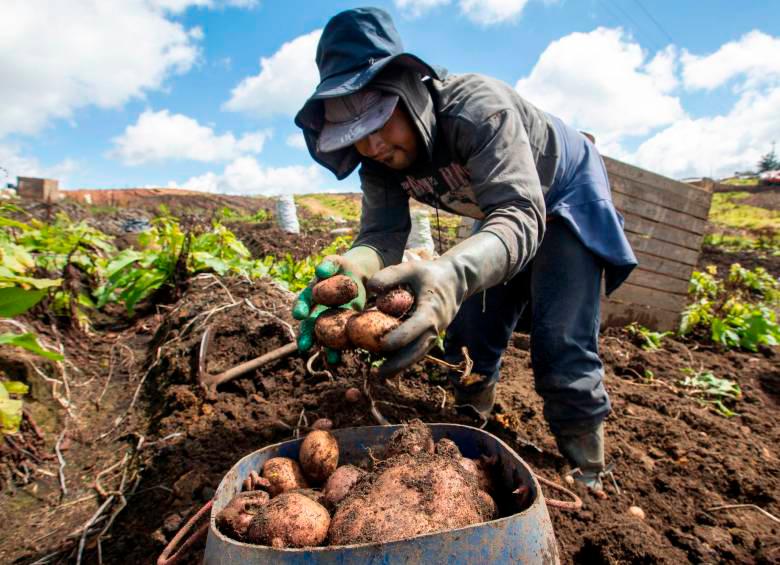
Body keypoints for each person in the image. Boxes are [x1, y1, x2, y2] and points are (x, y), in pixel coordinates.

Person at [292, 7, 637, 494]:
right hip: (497, 207)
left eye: (379, 122)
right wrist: (355, 269)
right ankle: (471, 420)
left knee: (561, 344)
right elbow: (382, 235)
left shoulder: (478, 110)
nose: (371, 145)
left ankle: (589, 472)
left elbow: (520, 213)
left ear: (408, 90)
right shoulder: (377, 161)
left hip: (559, 198)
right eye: (354, 136)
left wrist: (452, 272)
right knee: (469, 333)